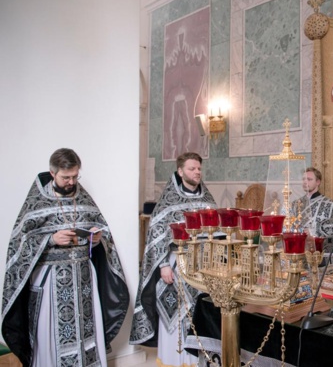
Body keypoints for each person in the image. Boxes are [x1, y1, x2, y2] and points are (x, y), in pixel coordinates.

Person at [1, 148, 129, 367]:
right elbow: (19, 245)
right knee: (51, 334)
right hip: (51, 281)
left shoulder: (84, 198)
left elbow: (103, 232)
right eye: (65, 177)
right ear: (52, 173)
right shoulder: (37, 202)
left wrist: (96, 238)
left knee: (86, 330)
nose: (71, 182)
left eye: (75, 176)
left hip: (83, 279)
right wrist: (51, 239)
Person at [130, 152, 217, 366]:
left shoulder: (207, 199)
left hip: (203, 267)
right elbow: (156, 235)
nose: (197, 172)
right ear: (180, 172)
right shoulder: (168, 200)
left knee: (199, 313)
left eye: (198, 168)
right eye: (191, 169)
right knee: (175, 314)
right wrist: (163, 265)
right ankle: (173, 361)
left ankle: (198, 361)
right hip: (177, 265)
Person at [291, 167, 333, 235]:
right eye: (303, 179)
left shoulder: (329, 205)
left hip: (319, 244)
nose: (305, 182)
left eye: (309, 179)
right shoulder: (295, 204)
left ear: (318, 182)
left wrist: (314, 230)